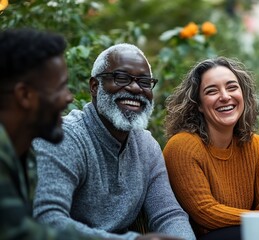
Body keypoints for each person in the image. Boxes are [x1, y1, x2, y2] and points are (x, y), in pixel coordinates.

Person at [32, 43, 196, 240]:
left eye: (144, 82)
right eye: (121, 78)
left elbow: (168, 214)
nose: (135, 88)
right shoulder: (63, 138)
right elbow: (47, 219)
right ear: (95, 86)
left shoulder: (147, 146)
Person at [163, 56, 259, 239]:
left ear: (243, 95)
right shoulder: (183, 146)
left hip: (247, 231)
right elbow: (206, 213)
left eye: (232, 87)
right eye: (211, 91)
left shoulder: (253, 144)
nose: (225, 97)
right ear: (198, 104)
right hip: (211, 236)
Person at [0, 28, 101, 240]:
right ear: (25, 95)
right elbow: (23, 234)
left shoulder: (24, 152)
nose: (69, 98)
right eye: (61, 87)